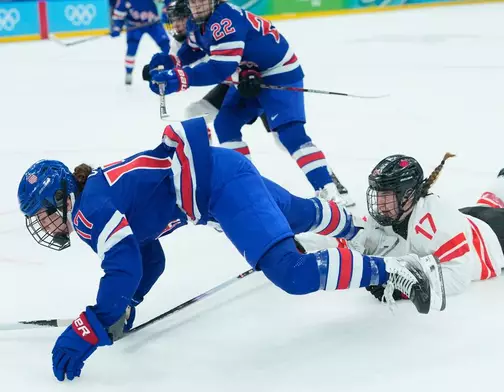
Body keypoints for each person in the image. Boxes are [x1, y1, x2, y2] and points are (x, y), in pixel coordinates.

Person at [17, 118, 444, 382]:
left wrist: (92, 325)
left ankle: (394, 270)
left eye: (41, 214)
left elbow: (125, 267)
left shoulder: (89, 212)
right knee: (296, 213)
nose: (42, 225)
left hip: (219, 188)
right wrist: (126, 306)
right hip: (223, 173)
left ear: (60, 198)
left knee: (291, 272)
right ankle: (357, 228)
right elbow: (149, 256)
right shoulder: (91, 197)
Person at [294, 125, 504, 305]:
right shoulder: (393, 217)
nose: (379, 206)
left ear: (409, 196)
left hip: (501, 239)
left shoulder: (434, 222)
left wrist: (403, 286)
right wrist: (302, 246)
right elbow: (355, 242)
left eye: (387, 198)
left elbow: (457, 276)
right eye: (378, 197)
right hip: (472, 221)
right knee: (485, 206)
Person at [144, 0, 353, 205]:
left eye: (200, 0)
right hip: (246, 75)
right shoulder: (197, 20)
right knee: (226, 124)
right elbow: (195, 47)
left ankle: (329, 189)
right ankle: (246, 186)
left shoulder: (224, 20)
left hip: (278, 72)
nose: (195, 5)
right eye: (191, 1)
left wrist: (179, 78)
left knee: (290, 135)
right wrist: (173, 63)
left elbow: (220, 68)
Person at [110, 0, 171, 85]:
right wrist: (116, 27)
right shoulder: (124, 1)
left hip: (153, 23)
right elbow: (118, 16)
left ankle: (173, 67)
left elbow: (168, 1)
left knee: (166, 45)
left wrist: (167, 7)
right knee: (131, 48)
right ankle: (128, 72)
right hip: (134, 26)